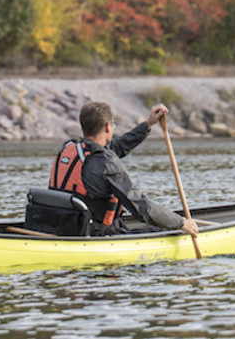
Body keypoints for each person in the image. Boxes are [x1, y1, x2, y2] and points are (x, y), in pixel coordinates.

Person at [50, 101, 199, 237]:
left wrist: (148, 124)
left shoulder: (69, 148)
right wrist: (181, 223)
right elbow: (141, 207)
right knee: (167, 230)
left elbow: (116, 147)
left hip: (63, 226)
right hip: (95, 233)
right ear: (108, 126)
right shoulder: (105, 162)